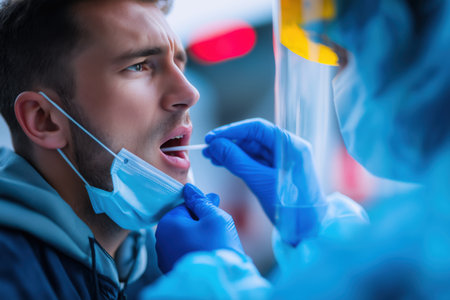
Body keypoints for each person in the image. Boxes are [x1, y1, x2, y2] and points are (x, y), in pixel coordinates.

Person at [140, 0, 450, 299]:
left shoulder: (427, 250)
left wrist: (207, 280)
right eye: (138, 66)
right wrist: (313, 229)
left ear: (396, 40)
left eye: (341, 57)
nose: (190, 93)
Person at [0, 0, 229, 298]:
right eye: (140, 65)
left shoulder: (156, 266)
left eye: (179, 62)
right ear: (45, 120)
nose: (189, 93)